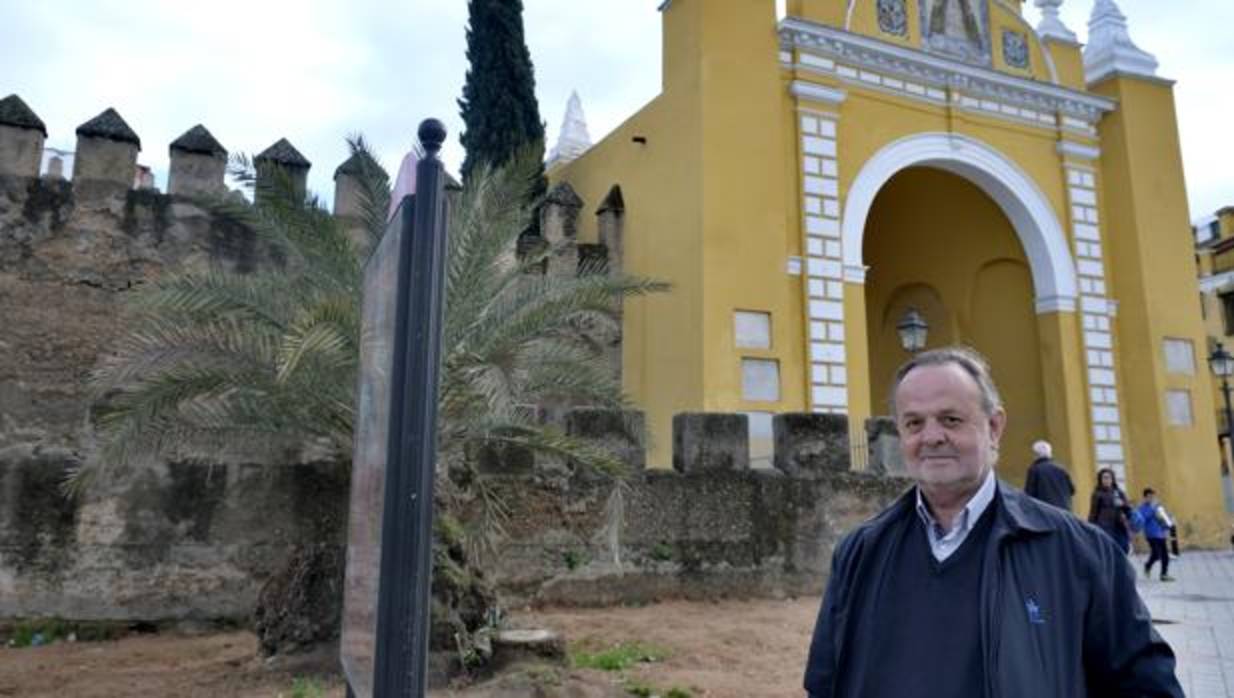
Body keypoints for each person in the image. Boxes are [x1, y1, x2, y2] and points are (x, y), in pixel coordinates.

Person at [803, 346, 1181, 698]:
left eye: (951, 419)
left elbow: (1147, 686)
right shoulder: (859, 553)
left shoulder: (1079, 553)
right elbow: (824, 684)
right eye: (914, 423)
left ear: (994, 426)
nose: (931, 437)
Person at [1088, 467, 1133, 553]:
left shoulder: (1119, 492)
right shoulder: (1097, 494)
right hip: (1104, 527)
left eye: (1108, 477)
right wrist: (1090, 528)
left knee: (1124, 549)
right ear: (1100, 480)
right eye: (1104, 478)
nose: (1106, 480)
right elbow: (1093, 513)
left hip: (1119, 527)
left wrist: (1123, 504)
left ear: (1112, 479)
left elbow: (1128, 511)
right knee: (1108, 551)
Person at [1023, 439, 1075, 511]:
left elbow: (1029, 495)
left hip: (1046, 512)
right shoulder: (1062, 469)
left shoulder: (1034, 470)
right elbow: (1072, 490)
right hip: (1064, 512)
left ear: (1035, 455)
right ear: (1050, 453)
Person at [1136, 488, 1176, 581]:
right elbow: (1143, 518)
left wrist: (1169, 521)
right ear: (1145, 497)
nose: (1151, 499)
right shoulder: (1142, 508)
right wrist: (1152, 509)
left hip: (1161, 533)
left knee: (1165, 555)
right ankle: (1148, 565)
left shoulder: (1158, 506)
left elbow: (1164, 517)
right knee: (1157, 554)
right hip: (1151, 534)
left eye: (1152, 497)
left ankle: (1164, 574)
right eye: (1149, 497)